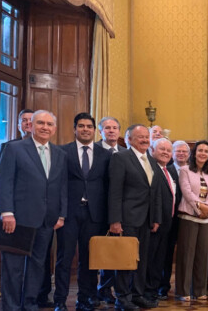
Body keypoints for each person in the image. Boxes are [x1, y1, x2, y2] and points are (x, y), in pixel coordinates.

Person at [0, 110, 67, 311]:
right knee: (13, 267)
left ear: (54, 129)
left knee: (37, 266)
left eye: (49, 124)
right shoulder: (14, 149)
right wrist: (7, 212)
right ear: (31, 126)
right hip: (18, 219)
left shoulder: (60, 154)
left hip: (47, 220)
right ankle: (11, 306)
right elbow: (5, 182)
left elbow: (62, 186)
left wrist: (61, 214)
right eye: (40, 123)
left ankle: (29, 304)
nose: (45, 127)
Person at [54, 113, 111, 311]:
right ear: (74, 129)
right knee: (65, 258)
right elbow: (58, 184)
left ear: (94, 130)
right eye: (81, 126)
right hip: (69, 214)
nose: (85, 129)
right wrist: (59, 212)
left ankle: (85, 299)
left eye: (89, 126)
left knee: (90, 260)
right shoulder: (62, 152)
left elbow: (108, 186)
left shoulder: (105, 154)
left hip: (95, 215)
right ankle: (60, 300)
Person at [108, 124, 162, 310]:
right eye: (140, 137)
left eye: (147, 137)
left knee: (142, 259)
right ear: (129, 139)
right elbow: (114, 192)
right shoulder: (120, 158)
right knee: (125, 259)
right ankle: (122, 298)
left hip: (146, 220)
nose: (145, 140)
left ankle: (137, 295)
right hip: (127, 219)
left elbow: (153, 192)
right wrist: (115, 220)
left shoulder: (152, 161)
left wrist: (155, 218)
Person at [176, 141, 208, 301]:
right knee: (186, 255)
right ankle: (184, 291)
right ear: (194, 153)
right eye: (200, 150)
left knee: (203, 255)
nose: (203, 153)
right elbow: (186, 191)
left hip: (207, 218)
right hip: (189, 216)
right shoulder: (185, 170)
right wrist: (199, 207)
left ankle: (200, 290)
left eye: (206, 151)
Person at [145, 138, 179, 302]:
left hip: (167, 224)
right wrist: (155, 220)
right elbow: (152, 198)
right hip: (154, 224)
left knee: (159, 261)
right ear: (152, 150)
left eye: (168, 150)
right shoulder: (151, 168)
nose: (166, 152)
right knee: (150, 260)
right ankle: (146, 292)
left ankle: (152, 291)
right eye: (162, 149)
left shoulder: (169, 171)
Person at [96, 116, 125, 303]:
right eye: (107, 128)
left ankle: (111, 288)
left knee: (117, 251)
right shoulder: (94, 151)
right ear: (101, 131)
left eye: (115, 128)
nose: (111, 131)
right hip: (97, 209)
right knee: (100, 251)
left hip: (121, 210)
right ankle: (98, 290)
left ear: (120, 132)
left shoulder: (124, 152)